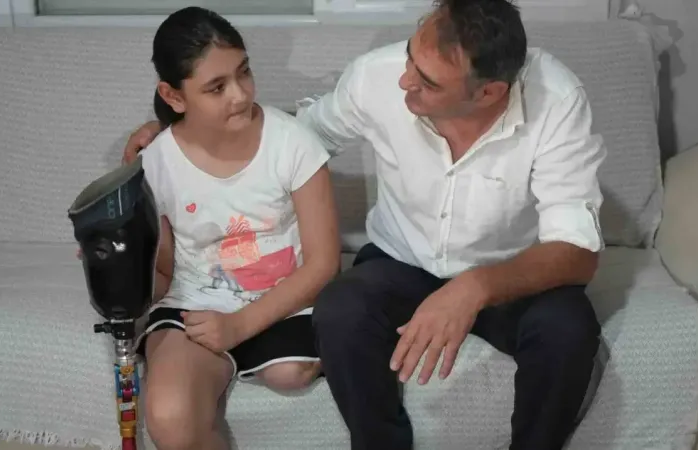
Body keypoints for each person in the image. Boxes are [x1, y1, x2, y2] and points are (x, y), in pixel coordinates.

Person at [123, 0, 606, 448]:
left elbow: (578, 250)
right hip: (402, 262)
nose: (405, 81)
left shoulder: (556, 99)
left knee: (568, 329)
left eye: (428, 82)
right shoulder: (378, 75)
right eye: (410, 58)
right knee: (341, 308)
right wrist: (182, 131)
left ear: (489, 92)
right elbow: (295, 135)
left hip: (508, 273)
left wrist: (475, 287)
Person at [127, 6, 340, 450]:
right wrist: (122, 264)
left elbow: (324, 263)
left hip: (284, 298)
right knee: (168, 417)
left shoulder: (293, 143)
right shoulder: (157, 162)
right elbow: (164, 272)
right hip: (196, 301)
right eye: (217, 87)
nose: (240, 95)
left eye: (244, 72)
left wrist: (239, 326)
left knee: (289, 373)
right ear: (173, 96)